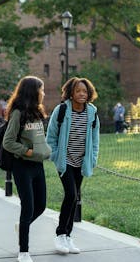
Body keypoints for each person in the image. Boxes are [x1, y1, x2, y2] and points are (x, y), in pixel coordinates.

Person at [46, 77, 100, 255]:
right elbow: (51, 136)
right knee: (71, 194)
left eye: (85, 91)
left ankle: (68, 237)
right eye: (78, 91)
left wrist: (92, 158)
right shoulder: (61, 110)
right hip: (65, 161)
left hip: (81, 162)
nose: (82, 94)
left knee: (75, 198)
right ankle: (60, 234)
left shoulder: (92, 112)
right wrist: (55, 155)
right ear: (71, 93)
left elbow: (95, 139)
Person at [2, 76, 51, 262]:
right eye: (41, 89)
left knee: (41, 205)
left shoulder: (38, 112)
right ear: (33, 91)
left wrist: (44, 151)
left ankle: (21, 226)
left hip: (37, 165)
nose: (44, 93)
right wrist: (27, 152)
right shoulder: (18, 113)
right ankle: (23, 251)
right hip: (22, 166)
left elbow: (38, 138)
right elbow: (8, 142)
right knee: (28, 206)